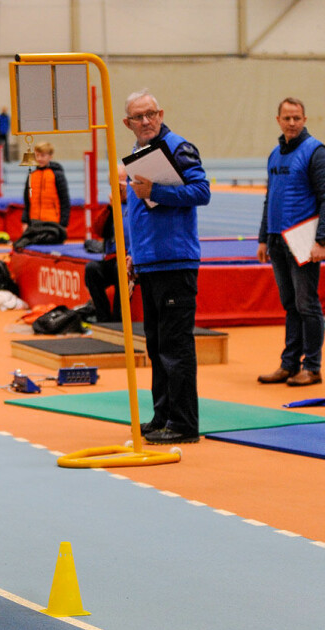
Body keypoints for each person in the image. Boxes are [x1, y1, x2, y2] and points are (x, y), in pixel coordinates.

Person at [122, 89, 210, 445]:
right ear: (128, 123)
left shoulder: (179, 148)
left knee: (175, 348)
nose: (146, 121)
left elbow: (201, 192)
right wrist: (134, 253)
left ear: (160, 114)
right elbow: (138, 211)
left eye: (151, 114)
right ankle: (163, 417)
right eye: (138, 117)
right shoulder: (138, 155)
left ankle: (184, 424)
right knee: (157, 348)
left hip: (175, 262)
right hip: (150, 263)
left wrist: (156, 191)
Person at [257, 97, 325, 387]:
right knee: (290, 305)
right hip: (276, 240)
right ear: (278, 120)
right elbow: (269, 198)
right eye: (287, 118)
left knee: (306, 304)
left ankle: (312, 367)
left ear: (305, 120)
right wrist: (263, 238)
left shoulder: (316, 152)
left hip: (302, 241)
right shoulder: (274, 154)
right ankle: (289, 364)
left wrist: (321, 241)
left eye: (297, 118)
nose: (292, 123)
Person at [84, 166, 130, 323]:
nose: (120, 188)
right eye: (115, 184)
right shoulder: (111, 207)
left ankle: (119, 319)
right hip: (112, 257)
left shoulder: (137, 205)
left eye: (122, 183)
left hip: (130, 259)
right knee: (92, 269)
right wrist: (110, 208)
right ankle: (103, 318)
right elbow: (98, 230)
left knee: (120, 268)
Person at [21, 141, 70, 233]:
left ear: (50, 157)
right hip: (34, 221)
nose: (39, 158)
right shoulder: (32, 176)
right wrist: (25, 221)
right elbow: (27, 202)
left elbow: (64, 201)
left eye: (43, 155)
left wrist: (64, 224)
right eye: (37, 155)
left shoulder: (57, 175)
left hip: (53, 221)